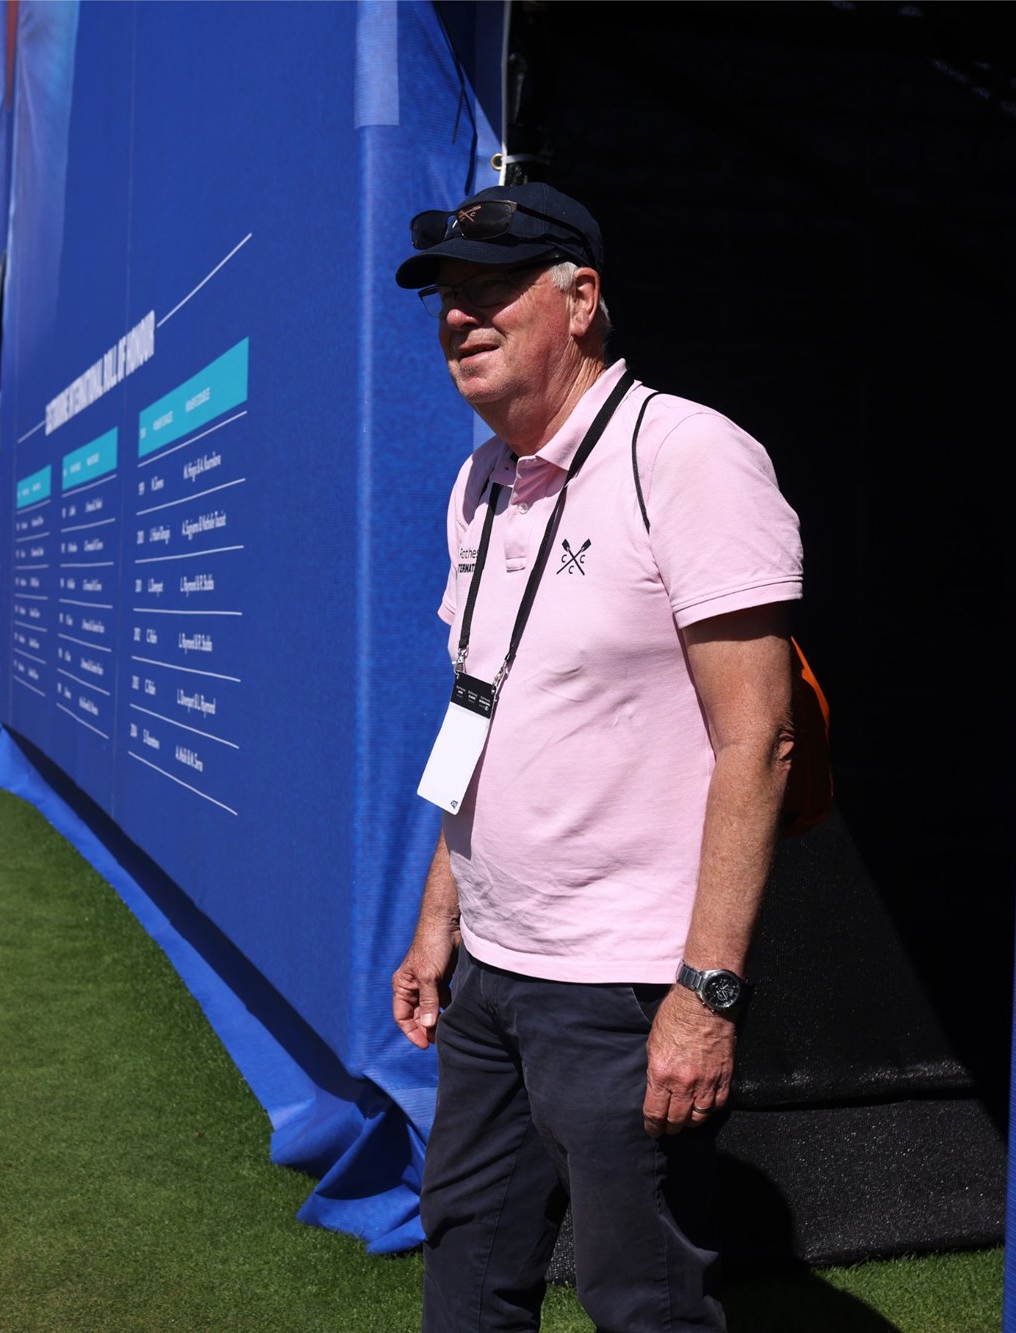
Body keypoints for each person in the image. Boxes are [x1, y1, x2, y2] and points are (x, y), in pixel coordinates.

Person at [389, 182, 803, 1331]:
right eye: (444, 299)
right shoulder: (476, 483)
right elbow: (479, 707)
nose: (458, 318)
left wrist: (705, 996)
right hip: (491, 975)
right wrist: (442, 915)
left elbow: (755, 740)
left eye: (488, 290)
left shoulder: (687, 454)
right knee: (466, 1266)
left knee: (642, 1303)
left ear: (579, 300)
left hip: (623, 987)